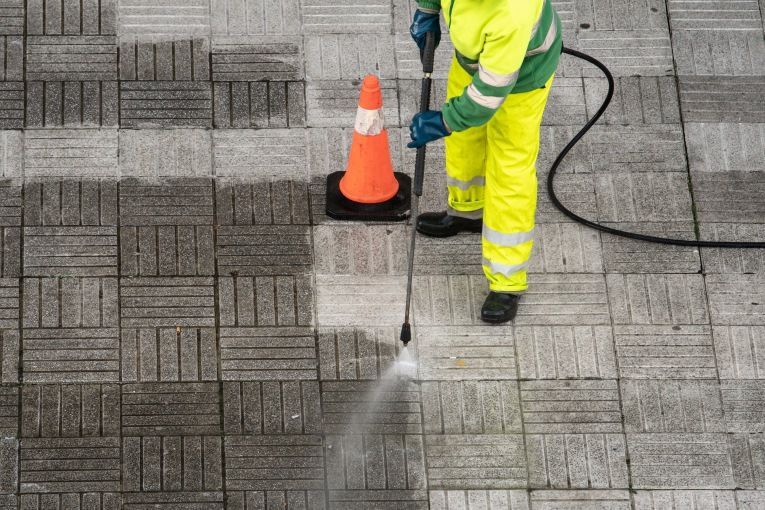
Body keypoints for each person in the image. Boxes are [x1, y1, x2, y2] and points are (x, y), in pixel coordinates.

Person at [408, 0, 562, 323]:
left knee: (509, 171)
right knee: (464, 139)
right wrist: (427, 8)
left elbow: (486, 98)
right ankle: (468, 210)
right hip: (474, 60)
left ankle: (507, 281)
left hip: (521, 78)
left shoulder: (512, 11)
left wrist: (441, 122)